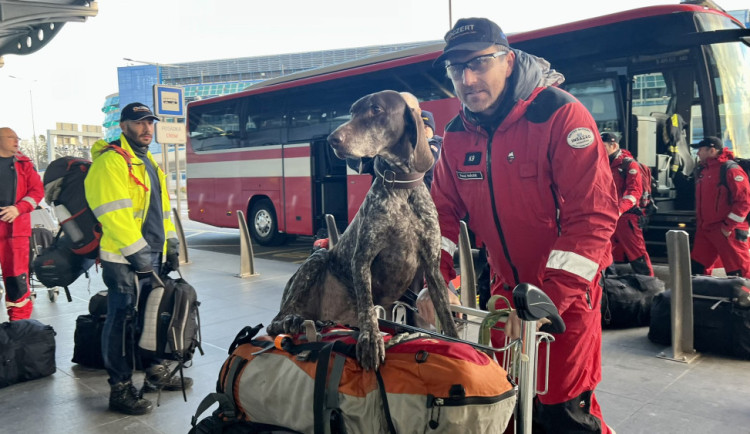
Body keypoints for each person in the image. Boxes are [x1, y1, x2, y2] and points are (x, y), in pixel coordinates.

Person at [430, 18, 618, 433]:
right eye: (456, 69)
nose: (467, 78)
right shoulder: (457, 135)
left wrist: (546, 300)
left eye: (479, 64)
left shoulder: (560, 115)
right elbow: (439, 216)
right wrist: (435, 280)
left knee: (563, 411)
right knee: (509, 406)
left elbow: (594, 219)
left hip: (562, 304)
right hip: (504, 304)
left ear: (509, 62)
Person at [85, 102, 188, 415]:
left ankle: (155, 372)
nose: (147, 128)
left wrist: (170, 243)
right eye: (139, 122)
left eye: (150, 123)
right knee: (121, 321)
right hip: (122, 259)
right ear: (124, 124)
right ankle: (120, 388)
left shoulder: (148, 162)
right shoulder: (111, 162)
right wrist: (139, 257)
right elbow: (114, 215)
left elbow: (161, 210)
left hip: (151, 254)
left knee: (150, 317)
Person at [690, 136, 750, 277]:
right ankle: (700, 296)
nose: (697, 153)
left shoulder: (730, 170)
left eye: (700, 150)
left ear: (712, 150)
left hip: (727, 230)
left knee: (738, 272)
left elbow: (744, 201)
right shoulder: (705, 171)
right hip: (707, 230)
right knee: (696, 269)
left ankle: (743, 297)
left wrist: (728, 226)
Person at [0, 127, 43, 321]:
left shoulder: (25, 164)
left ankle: (19, 325)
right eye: (10, 137)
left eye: (17, 137)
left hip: (15, 229)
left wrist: (18, 209)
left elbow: (37, 192)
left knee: (17, 279)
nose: (16, 141)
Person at [602, 132, 654, 276]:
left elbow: (634, 192)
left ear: (614, 145)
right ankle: (609, 286)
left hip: (626, 217)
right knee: (604, 252)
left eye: (603, 146)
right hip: (609, 217)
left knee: (637, 254)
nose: (599, 149)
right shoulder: (603, 164)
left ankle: (650, 289)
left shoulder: (628, 164)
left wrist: (619, 210)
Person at [420, 110, 443, 190]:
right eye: (420, 127)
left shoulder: (435, 145)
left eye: (426, 126)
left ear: (432, 129)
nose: (423, 130)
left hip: (431, 193)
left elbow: (427, 166)